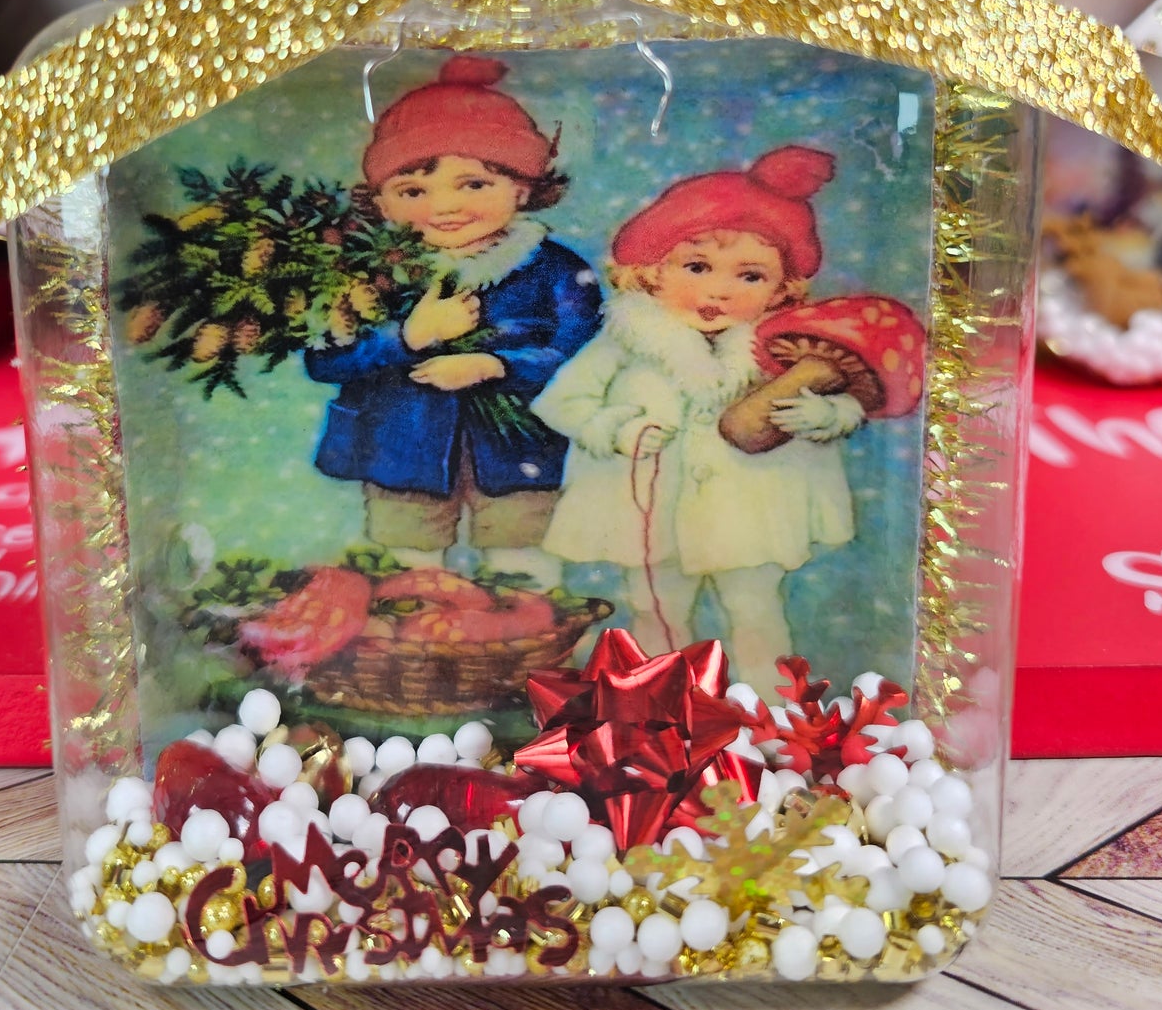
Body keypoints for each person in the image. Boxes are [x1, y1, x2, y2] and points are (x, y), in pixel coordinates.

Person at [532, 146, 864, 684]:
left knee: (755, 609)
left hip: (750, 511)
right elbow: (562, 401)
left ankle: (770, 710)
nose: (718, 289)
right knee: (656, 609)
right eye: (696, 267)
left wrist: (827, 413)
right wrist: (617, 427)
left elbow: (853, 391)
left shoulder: (785, 348)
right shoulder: (626, 340)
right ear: (652, 274)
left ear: (782, 290)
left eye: (750, 276)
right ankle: (659, 703)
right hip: (647, 507)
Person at [305, 55, 601, 588]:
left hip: (522, 452)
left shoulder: (555, 270)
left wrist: (495, 364)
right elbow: (326, 357)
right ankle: (424, 662)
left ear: (523, 188)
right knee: (408, 575)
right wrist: (409, 337)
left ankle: (524, 657)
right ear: (383, 203)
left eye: (474, 184)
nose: (444, 206)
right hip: (399, 451)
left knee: (523, 567)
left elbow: (583, 352)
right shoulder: (372, 274)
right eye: (414, 191)